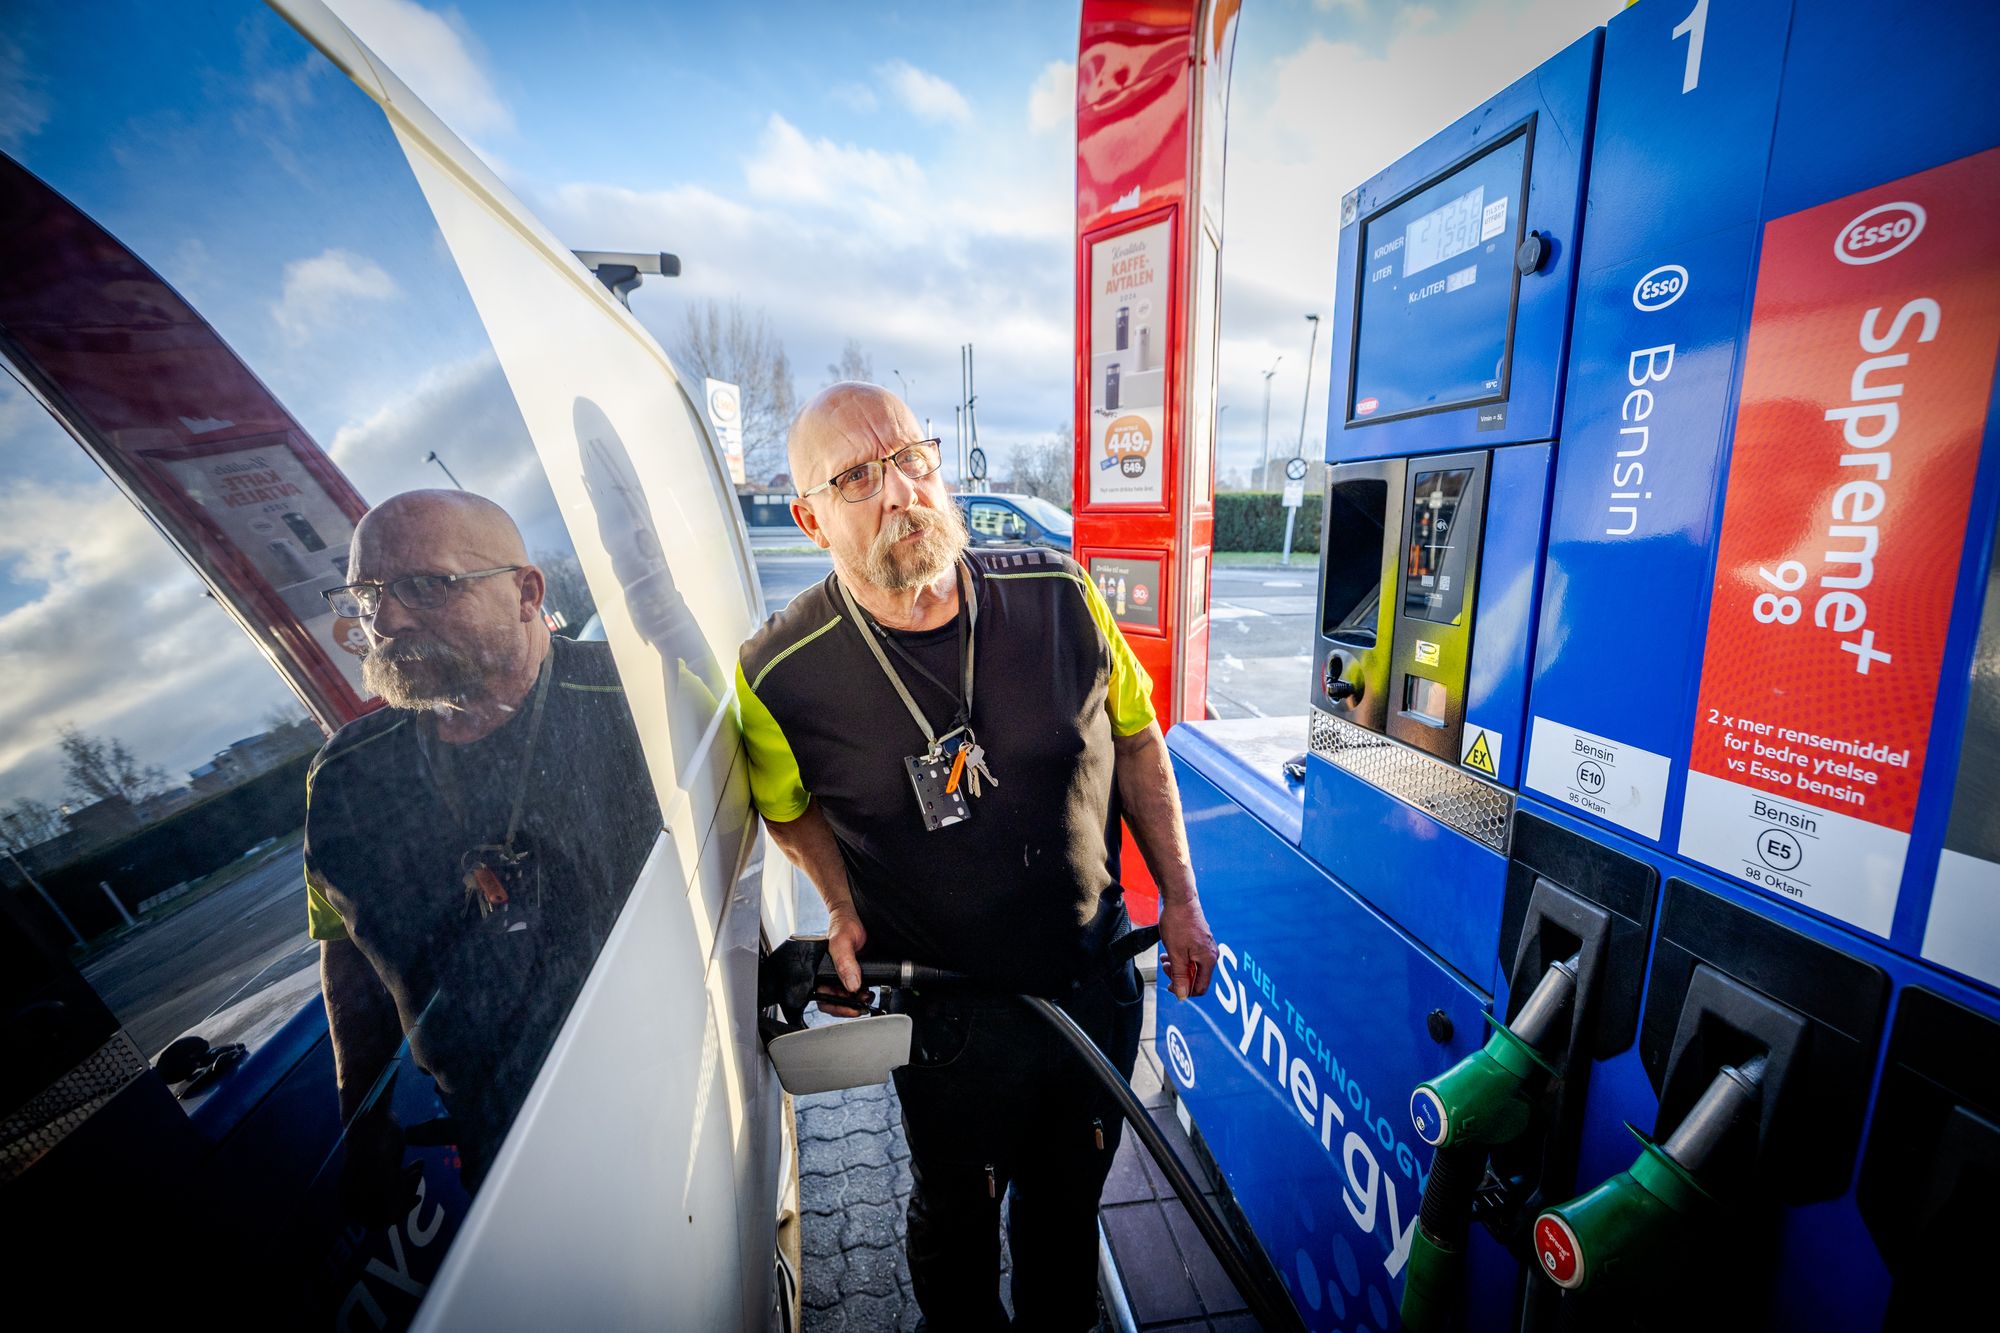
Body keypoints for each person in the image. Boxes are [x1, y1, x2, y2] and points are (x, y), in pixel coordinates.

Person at [736, 383, 1219, 1331]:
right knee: (957, 1215)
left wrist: (1184, 900)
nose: (904, 489)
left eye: (913, 455)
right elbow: (790, 814)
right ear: (809, 517)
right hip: (947, 1020)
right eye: (859, 476)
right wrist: (839, 907)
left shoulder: (1061, 593)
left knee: (1069, 1207)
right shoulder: (779, 673)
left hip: (1090, 986)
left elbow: (1139, 741)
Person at [304, 489, 659, 1187]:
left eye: (426, 586)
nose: (385, 619)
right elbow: (345, 952)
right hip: (497, 1146)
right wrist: (361, 1116)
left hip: (667, 1085)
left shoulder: (636, 697)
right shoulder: (342, 778)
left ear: (526, 592)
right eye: (365, 594)